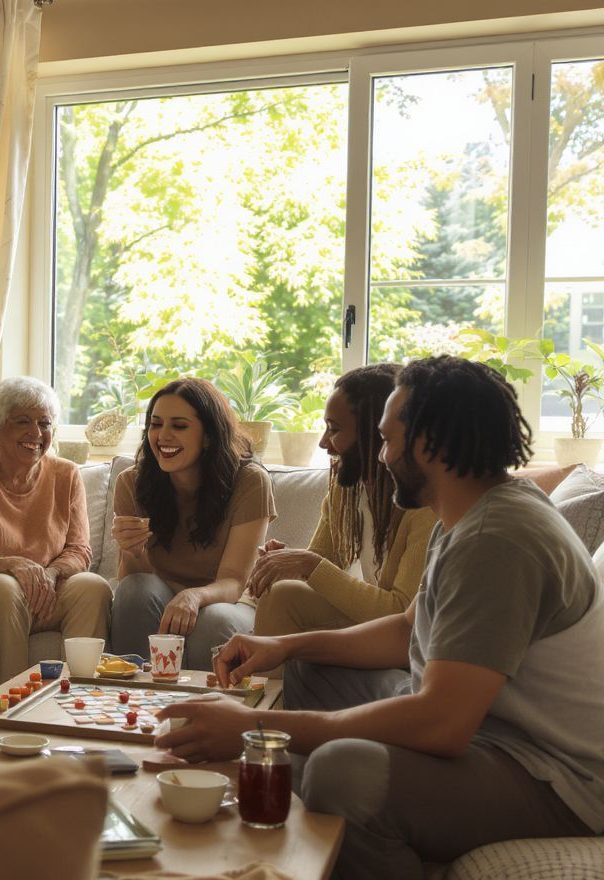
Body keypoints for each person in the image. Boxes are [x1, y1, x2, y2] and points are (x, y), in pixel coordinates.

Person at [157, 356, 604, 877]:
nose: (383, 454)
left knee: (343, 773)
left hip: (553, 777)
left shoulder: (496, 540)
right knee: (314, 671)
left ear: (430, 444)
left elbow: (442, 724)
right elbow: (407, 631)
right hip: (492, 738)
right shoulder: (465, 515)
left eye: (389, 440)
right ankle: (291, 820)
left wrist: (255, 727)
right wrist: (286, 647)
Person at [242, 364, 437, 638]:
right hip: (376, 621)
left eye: (333, 429)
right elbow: (322, 563)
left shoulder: (426, 505)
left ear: (374, 433)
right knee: (283, 593)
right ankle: (267, 680)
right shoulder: (346, 490)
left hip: (411, 638)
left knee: (285, 597)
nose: (323, 443)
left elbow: (402, 613)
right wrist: (287, 563)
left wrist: (307, 563)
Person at [0, 377, 111, 693]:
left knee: (93, 586)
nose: (36, 433)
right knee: (3, 588)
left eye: (44, 423)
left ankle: (78, 696)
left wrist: (49, 575)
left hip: (50, 593)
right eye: (23, 422)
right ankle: (12, 702)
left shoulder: (66, 474)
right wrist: (14, 566)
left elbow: (79, 549)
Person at [110, 377, 275, 665]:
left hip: (226, 601)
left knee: (213, 619)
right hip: (161, 597)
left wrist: (193, 597)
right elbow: (133, 579)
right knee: (134, 591)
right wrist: (131, 549)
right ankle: (133, 700)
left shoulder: (250, 482)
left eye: (179, 426)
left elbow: (235, 581)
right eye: (156, 424)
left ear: (209, 435)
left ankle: (203, 708)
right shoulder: (132, 482)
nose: (163, 436)